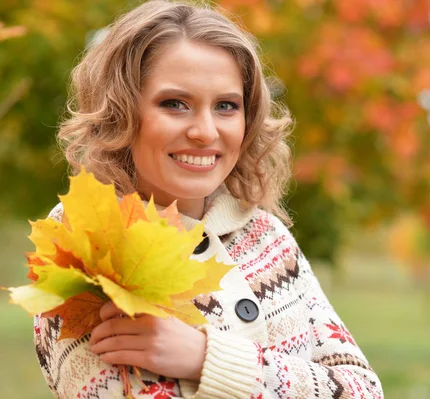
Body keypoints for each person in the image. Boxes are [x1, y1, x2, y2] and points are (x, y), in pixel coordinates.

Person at [33, 0, 384, 398]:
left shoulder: (263, 235)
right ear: (121, 112)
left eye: (226, 106)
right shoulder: (83, 247)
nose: (205, 131)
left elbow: (363, 390)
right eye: (175, 104)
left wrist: (206, 358)